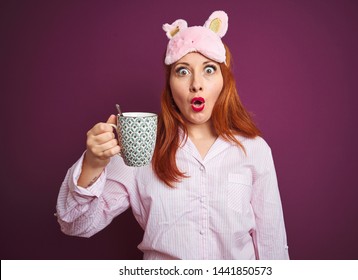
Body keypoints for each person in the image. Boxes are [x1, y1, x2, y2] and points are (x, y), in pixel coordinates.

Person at [56, 10, 289, 260]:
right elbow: (74, 224)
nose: (196, 83)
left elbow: (271, 244)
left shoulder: (254, 149)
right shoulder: (141, 148)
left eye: (209, 70)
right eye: (183, 71)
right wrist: (93, 163)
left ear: (224, 81)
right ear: (170, 85)